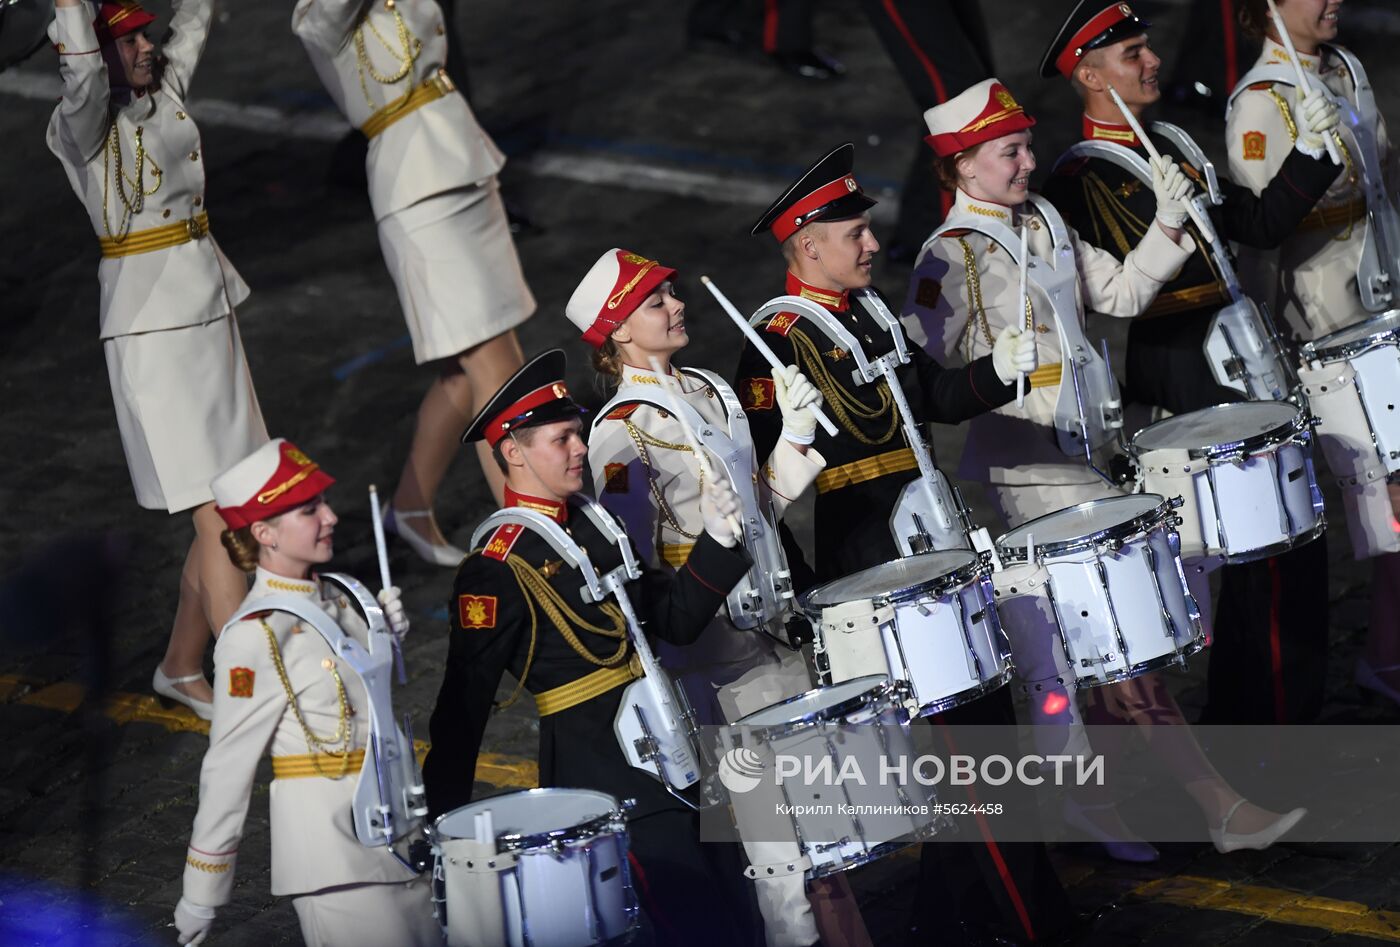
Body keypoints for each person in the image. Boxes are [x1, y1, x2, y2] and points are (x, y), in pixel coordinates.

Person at [904, 76, 1305, 863]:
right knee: (1124, 642)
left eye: (1024, 146)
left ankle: (1089, 798)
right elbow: (938, 380)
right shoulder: (947, 258)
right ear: (963, 167)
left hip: (1092, 457)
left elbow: (1118, 295)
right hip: (1032, 478)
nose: (1027, 162)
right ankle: (1216, 805)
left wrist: (1167, 224)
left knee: (1103, 649)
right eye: (1009, 151)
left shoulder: (1044, 217)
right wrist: (993, 367)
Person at [1039, 0, 1339, 725]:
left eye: (1147, 47)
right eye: (1133, 53)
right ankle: (1255, 727)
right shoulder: (1077, 178)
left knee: (1295, 550)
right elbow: (1123, 301)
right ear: (1088, 75)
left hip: (1243, 358)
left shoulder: (1170, 137)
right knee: (1249, 566)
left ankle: (1289, 715)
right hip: (1183, 375)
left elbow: (1255, 225)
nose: (1153, 62)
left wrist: (1313, 157)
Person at [572, 249, 872, 947]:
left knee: (829, 830)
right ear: (618, 331)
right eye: (656, 302)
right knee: (780, 853)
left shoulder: (710, 387)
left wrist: (795, 439)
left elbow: (756, 506)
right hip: (718, 659)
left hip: (774, 630)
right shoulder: (618, 434)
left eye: (673, 293)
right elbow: (639, 568)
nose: (676, 306)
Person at [422, 350, 756, 947]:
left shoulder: (596, 523)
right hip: (601, 770)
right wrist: (438, 830)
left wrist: (718, 543)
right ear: (513, 452)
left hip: (670, 752)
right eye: (561, 439)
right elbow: (463, 708)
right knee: (693, 923)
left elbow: (672, 623)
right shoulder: (497, 565)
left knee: (741, 911)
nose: (580, 448)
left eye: (578, 433)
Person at [46, 0, 268, 720]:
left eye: (145, 33)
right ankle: (248, 691)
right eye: (130, 39)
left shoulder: (162, 92)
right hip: (152, 334)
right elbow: (80, 75)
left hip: (208, 311)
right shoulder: (78, 127)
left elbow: (195, 24)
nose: (148, 46)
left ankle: (180, 665)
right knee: (221, 521)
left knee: (232, 506)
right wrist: (70, 7)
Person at [293, 0, 533, 568]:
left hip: (461, 157)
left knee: (470, 368)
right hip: (415, 186)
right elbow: (318, 25)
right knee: (495, 370)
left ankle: (411, 506)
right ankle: (528, 550)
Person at [174, 439, 439, 947]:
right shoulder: (255, 635)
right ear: (263, 533)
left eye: (324, 502)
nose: (331, 517)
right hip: (334, 857)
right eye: (309, 508)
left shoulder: (340, 595)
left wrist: (384, 636)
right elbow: (228, 768)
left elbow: (363, 703)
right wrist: (201, 892)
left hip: (401, 834)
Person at [734, 141, 1035, 584]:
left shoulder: (870, 308)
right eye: (856, 234)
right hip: (863, 552)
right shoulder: (776, 340)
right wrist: (800, 587)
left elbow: (935, 398)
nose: (873, 243)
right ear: (810, 246)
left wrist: (1000, 371)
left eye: (868, 230)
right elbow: (757, 486)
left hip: (936, 522)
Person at [1226, 0, 1400, 709]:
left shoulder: (1347, 67)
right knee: (1387, 500)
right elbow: (1260, 230)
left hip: (1385, 300)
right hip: (1333, 324)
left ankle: (1388, 652)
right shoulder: (1261, 102)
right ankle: (1385, 660)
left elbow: (1383, 173)